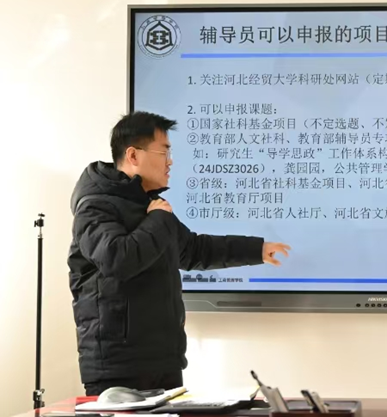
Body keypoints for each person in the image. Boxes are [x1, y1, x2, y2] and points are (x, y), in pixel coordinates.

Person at [67, 111, 291, 395]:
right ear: (133, 155)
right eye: (164, 152)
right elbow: (118, 260)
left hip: (164, 361)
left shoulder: (150, 206)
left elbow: (194, 250)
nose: (170, 161)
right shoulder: (96, 206)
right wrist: (158, 219)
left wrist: (256, 249)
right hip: (118, 368)